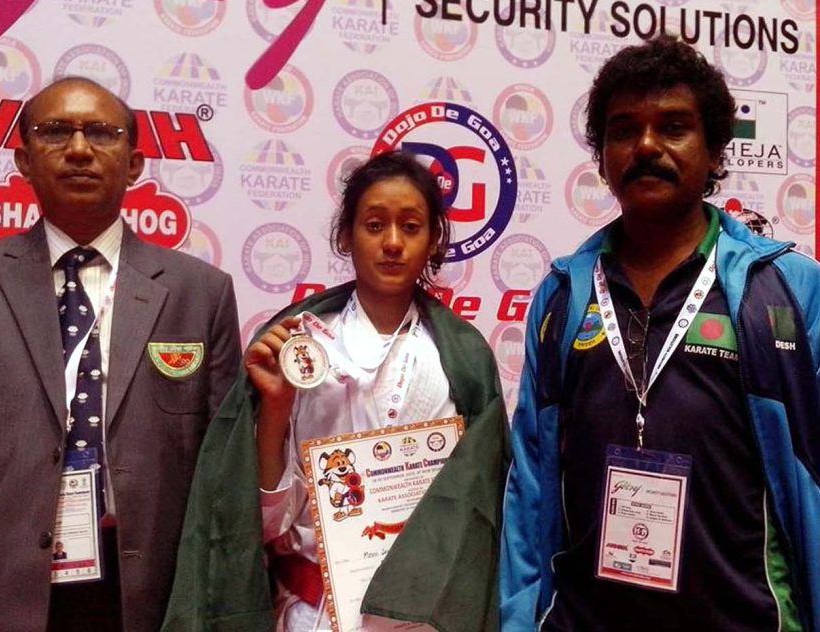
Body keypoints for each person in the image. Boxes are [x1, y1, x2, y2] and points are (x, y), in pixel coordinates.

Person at [0, 76, 242, 632]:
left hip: (150, 594)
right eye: (55, 131)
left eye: (101, 134)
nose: (79, 149)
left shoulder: (199, 293)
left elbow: (223, 475)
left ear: (133, 164)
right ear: (23, 160)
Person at [501, 34, 820, 631]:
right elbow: (531, 489)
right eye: (624, 129)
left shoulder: (788, 292)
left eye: (673, 126)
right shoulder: (563, 296)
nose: (646, 145)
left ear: (716, 148)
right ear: (601, 154)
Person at [163, 151, 509, 632]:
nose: (392, 243)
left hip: (419, 620)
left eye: (411, 227)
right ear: (347, 235)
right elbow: (259, 524)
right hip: (310, 612)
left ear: (434, 241)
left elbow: (477, 521)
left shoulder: (463, 360)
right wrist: (278, 405)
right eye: (373, 225)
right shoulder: (298, 344)